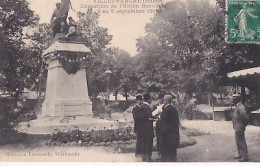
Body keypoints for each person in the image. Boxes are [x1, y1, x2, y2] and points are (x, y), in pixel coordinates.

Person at [160, 95, 180, 162]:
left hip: (167, 132)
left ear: (166, 101)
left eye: (164, 100)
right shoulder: (174, 109)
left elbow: (163, 120)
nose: (163, 101)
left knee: (166, 148)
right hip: (173, 132)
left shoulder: (166, 109)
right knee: (172, 149)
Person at [232, 94, 249, 162]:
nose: (232, 100)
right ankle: (240, 154)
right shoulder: (237, 106)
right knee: (238, 140)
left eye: (234, 98)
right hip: (237, 126)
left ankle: (244, 156)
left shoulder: (241, 107)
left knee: (241, 141)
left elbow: (244, 117)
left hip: (239, 126)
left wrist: (244, 124)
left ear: (237, 99)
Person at [139, 93, 155, 162]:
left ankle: (145, 159)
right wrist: (151, 118)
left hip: (143, 129)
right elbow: (147, 117)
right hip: (147, 129)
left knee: (144, 144)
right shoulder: (146, 107)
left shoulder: (142, 106)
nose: (151, 100)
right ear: (148, 99)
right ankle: (148, 159)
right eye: (150, 99)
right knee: (148, 144)